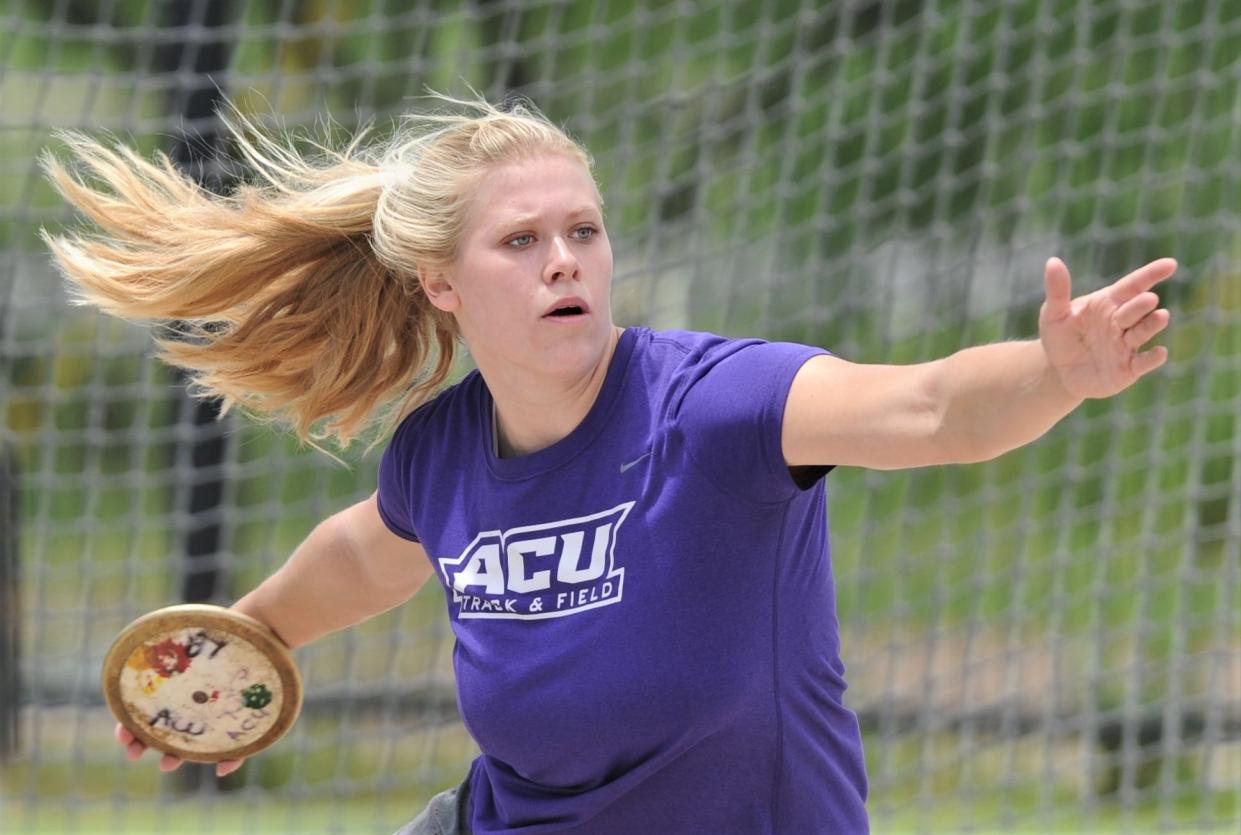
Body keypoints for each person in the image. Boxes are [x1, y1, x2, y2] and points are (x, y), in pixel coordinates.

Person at [43, 97, 1174, 834]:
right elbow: (366, 550)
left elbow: (927, 408)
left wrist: (1052, 371)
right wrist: (237, 644)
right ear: (443, 282)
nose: (562, 261)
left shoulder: (715, 405)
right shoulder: (441, 451)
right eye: (520, 241)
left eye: (582, 231)